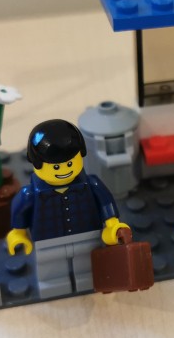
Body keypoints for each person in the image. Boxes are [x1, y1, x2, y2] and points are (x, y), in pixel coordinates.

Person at [7, 119, 128, 298]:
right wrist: (18, 234)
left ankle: (87, 281)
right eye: (56, 167)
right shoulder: (30, 194)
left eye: (70, 163)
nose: (64, 170)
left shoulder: (91, 184)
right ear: (36, 163)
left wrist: (113, 225)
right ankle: (53, 285)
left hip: (87, 236)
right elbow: (19, 213)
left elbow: (106, 204)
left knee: (86, 266)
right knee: (52, 270)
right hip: (47, 241)